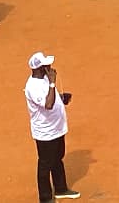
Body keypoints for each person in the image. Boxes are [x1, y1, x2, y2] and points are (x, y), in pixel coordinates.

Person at [25, 51, 80, 202]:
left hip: (57, 128)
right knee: (45, 164)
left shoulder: (44, 78)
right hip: (45, 132)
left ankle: (61, 189)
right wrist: (52, 82)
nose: (50, 67)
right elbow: (48, 104)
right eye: (46, 65)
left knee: (57, 158)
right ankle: (45, 198)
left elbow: (51, 98)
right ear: (38, 68)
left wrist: (61, 98)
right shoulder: (33, 86)